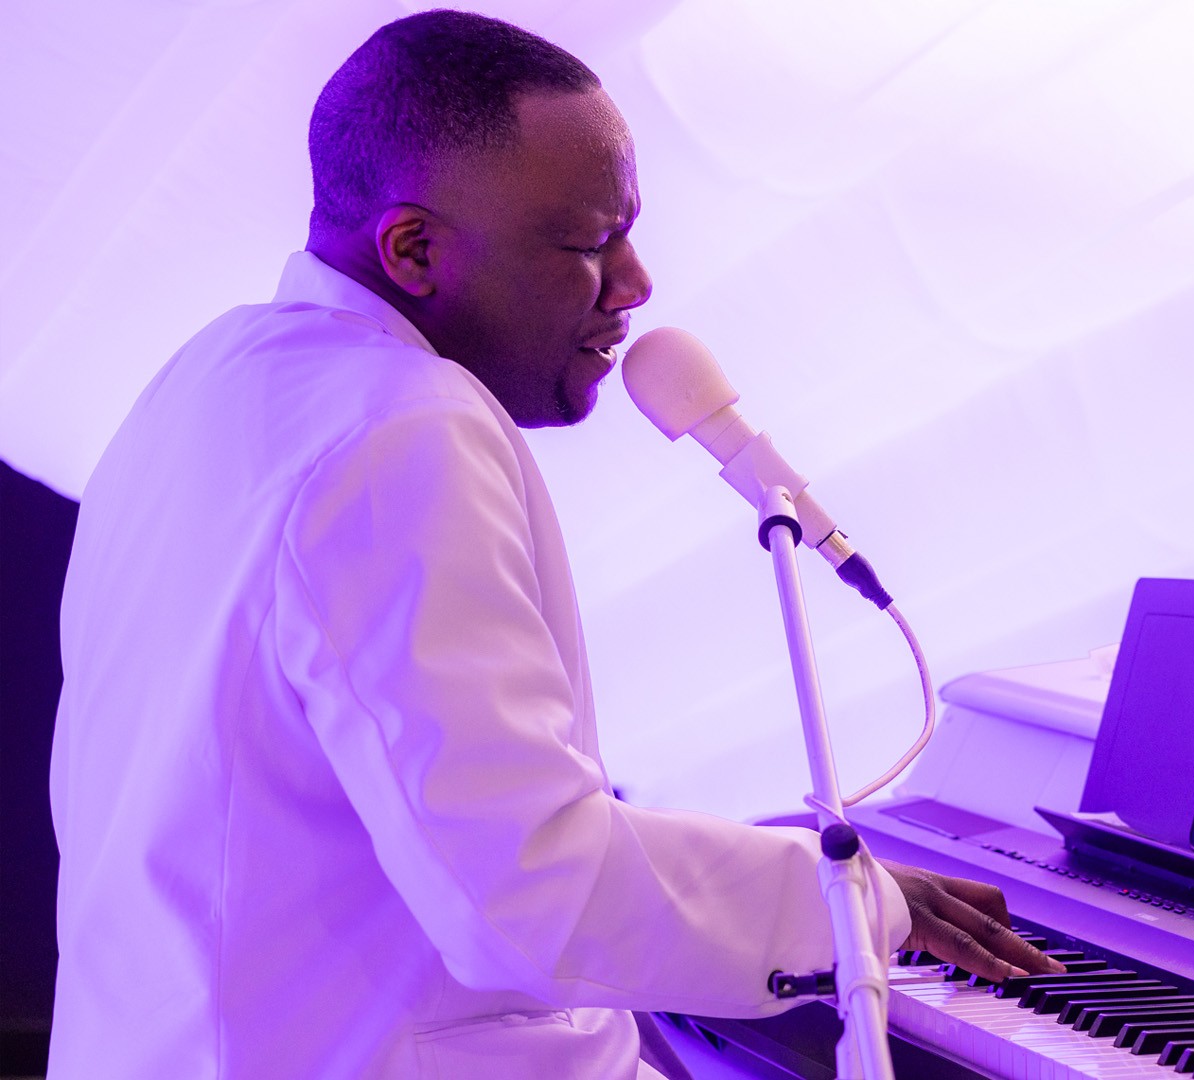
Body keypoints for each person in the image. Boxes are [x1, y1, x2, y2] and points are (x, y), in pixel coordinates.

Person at [48, 10, 1054, 1078]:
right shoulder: (400, 424)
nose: (636, 283)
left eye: (629, 231)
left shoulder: (212, 375)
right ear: (414, 249)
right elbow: (528, 889)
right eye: (586, 243)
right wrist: (848, 903)